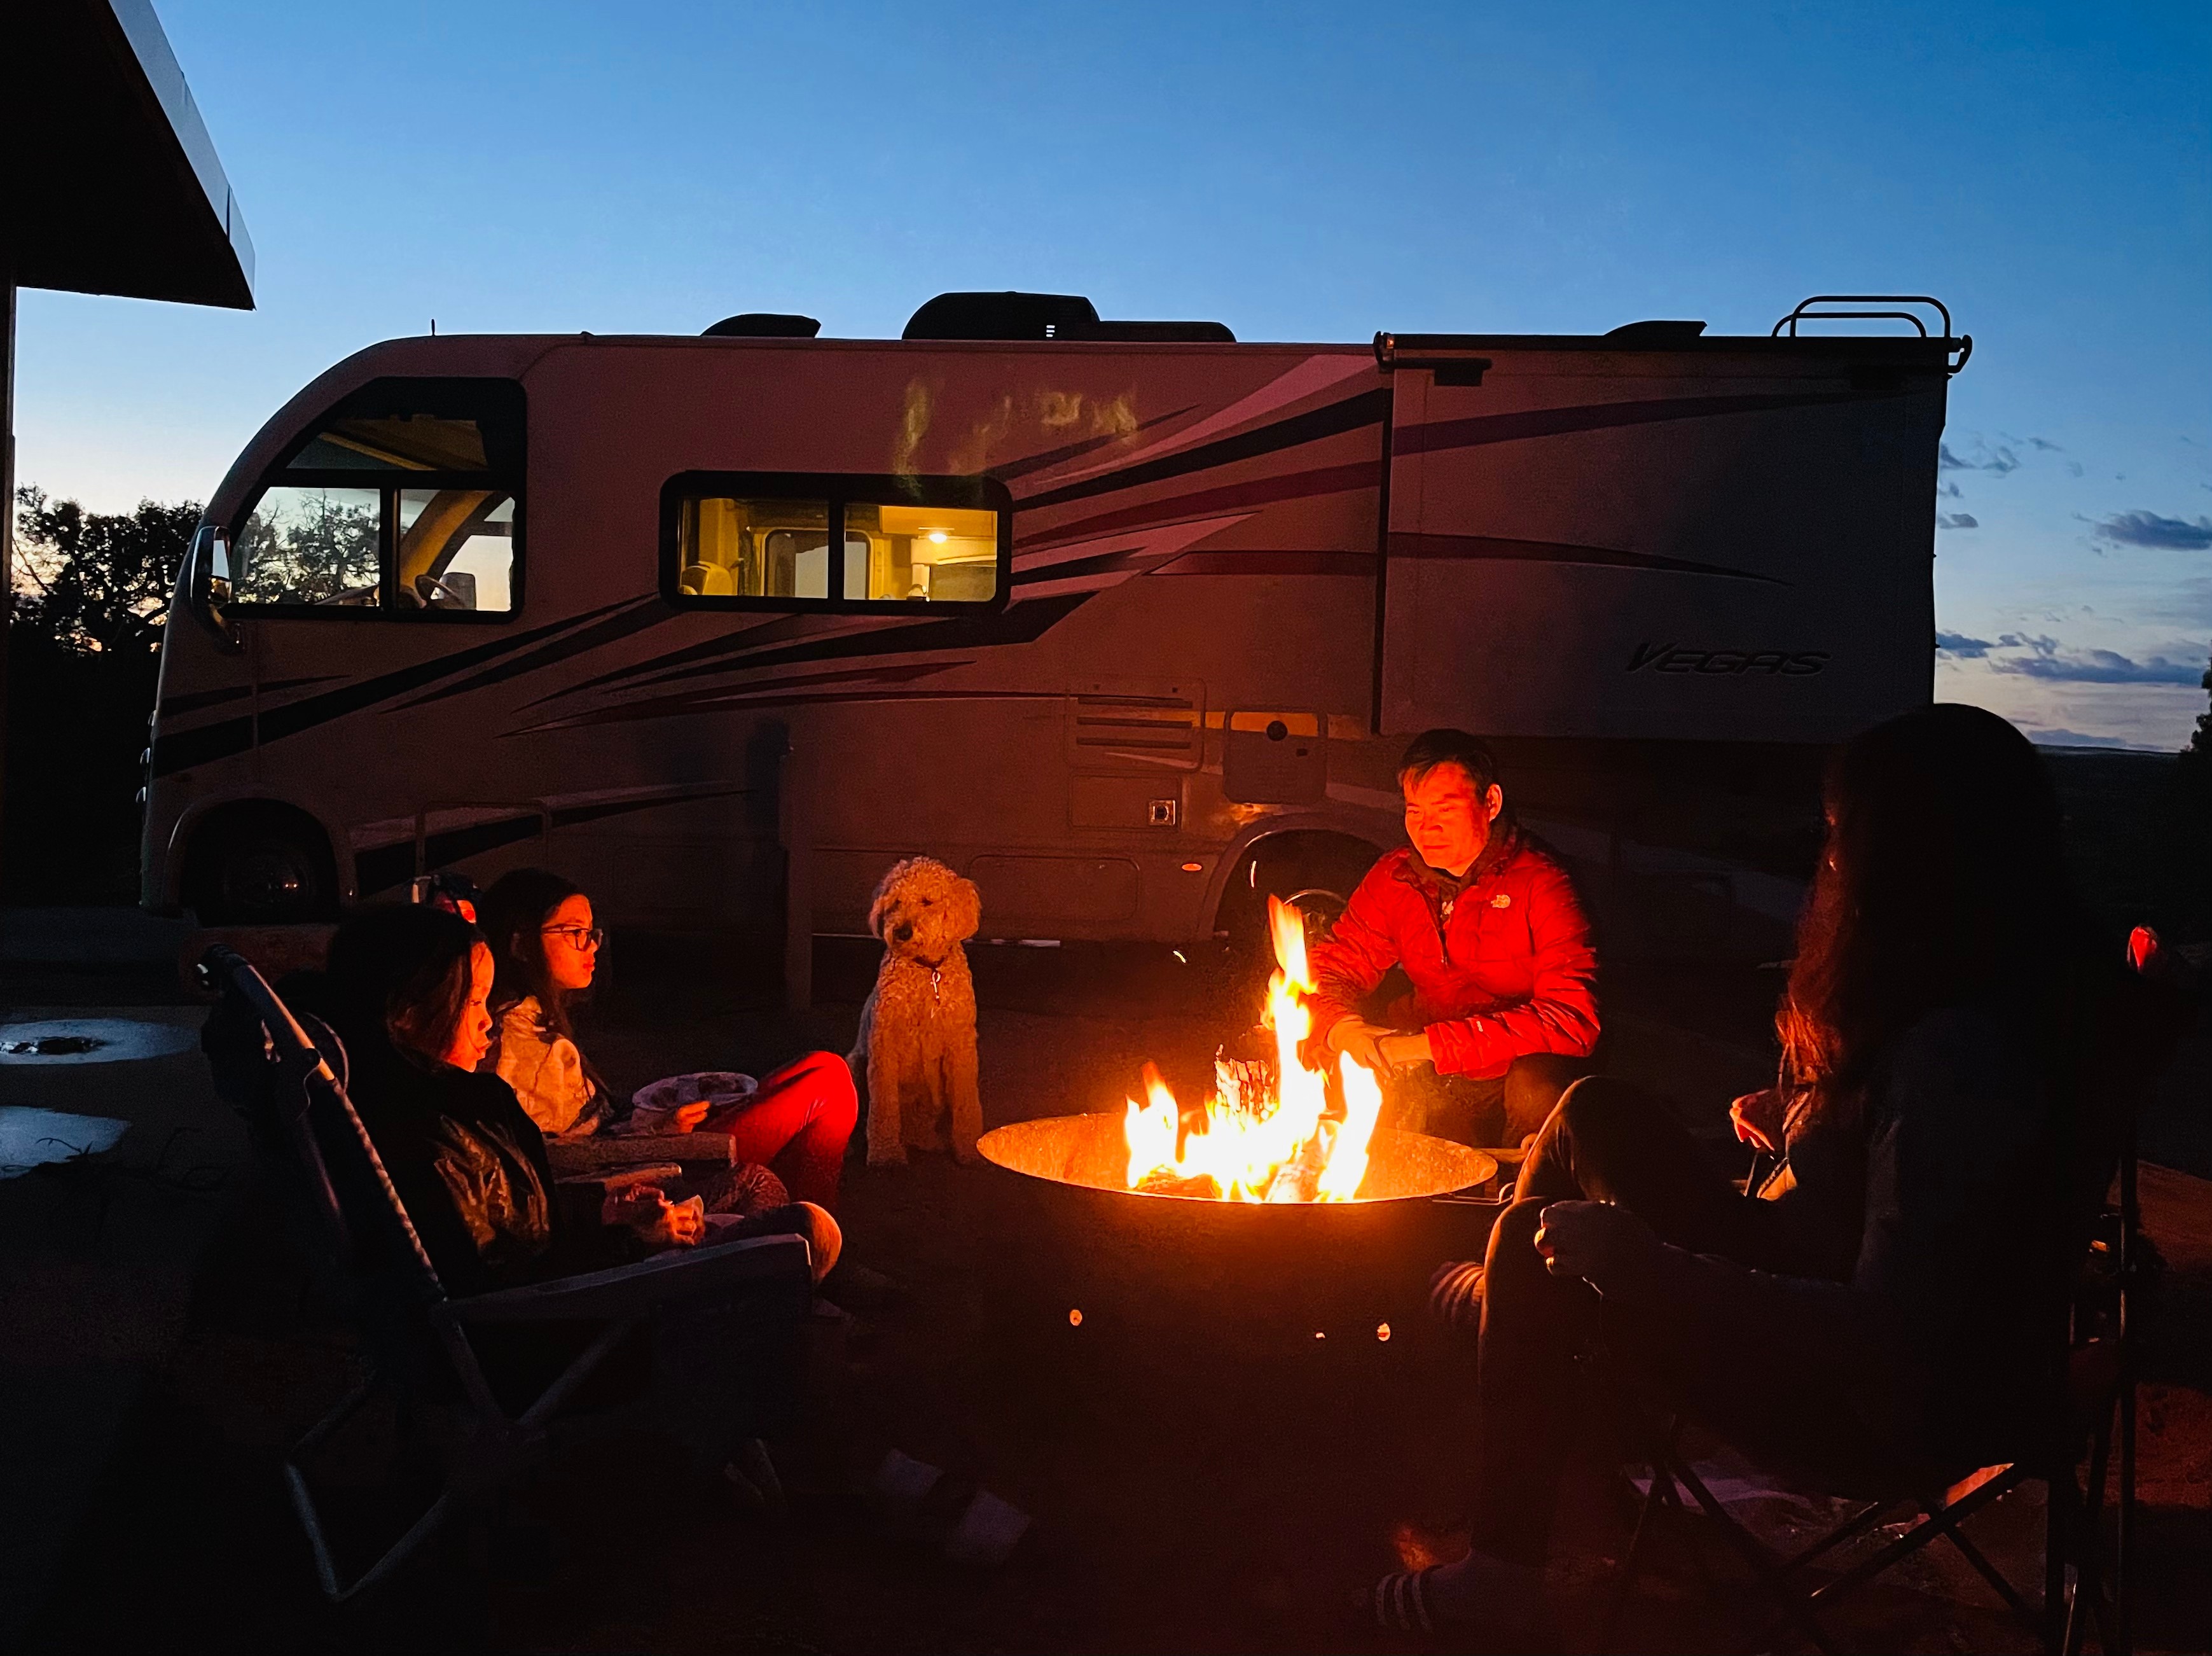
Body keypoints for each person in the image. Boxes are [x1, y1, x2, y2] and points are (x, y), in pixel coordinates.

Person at [1367, 704, 2110, 1642]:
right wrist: (1808, 1124)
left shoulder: (1955, 1055)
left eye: (1844, 837)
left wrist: (1642, 1266)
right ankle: (1516, 1307)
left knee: (1532, 1240)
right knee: (1597, 1108)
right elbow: (1905, 1189)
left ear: (1915, 860)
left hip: (1864, 1404)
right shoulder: (1990, 1000)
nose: (1829, 863)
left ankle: (1506, 1556)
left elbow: (1885, 1330)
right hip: (1827, 1292)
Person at [317, 903, 841, 1297]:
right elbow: (502, 1284)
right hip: (591, 1319)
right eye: (472, 1002)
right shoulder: (430, 1140)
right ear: (407, 1014)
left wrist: (602, 1211)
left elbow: (519, 1216)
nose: (485, 1020)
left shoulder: (449, 1105)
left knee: (792, 1213)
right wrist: (635, 1243)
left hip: (594, 1257)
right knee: (804, 1232)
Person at [478, 868, 859, 1210]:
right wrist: (649, 1134)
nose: (591, 946)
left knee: (821, 1067)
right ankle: (803, 1230)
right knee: (828, 1084)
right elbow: (553, 1160)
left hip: (647, 1141)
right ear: (519, 945)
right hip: (655, 1165)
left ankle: (794, 1222)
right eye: (574, 933)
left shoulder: (535, 1023)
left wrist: (647, 1119)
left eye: (592, 933)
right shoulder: (518, 1045)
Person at [1304, 729, 1600, 1148]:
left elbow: (1573, 1017)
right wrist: (1344, 1028)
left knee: (1539, 1089)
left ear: (1491, 803)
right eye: (1415, 811)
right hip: (1429, 1068)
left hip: (1514, 1073)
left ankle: (1526, 1192)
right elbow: (1329, 969)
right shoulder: (1396, 878)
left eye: (1446, 808)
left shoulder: (1542, 882)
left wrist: (1427, 1046)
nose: (1428, 828)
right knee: (1351, 1076)